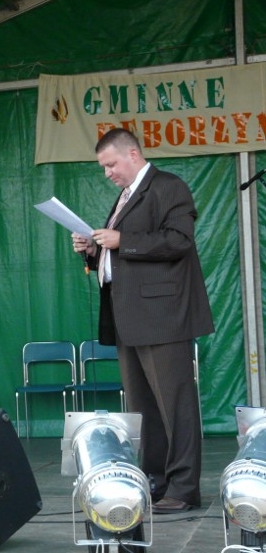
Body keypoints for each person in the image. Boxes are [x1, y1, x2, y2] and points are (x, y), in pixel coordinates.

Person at [71, 128, 214, 514]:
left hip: (163, 316)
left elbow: (180, 240)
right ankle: (154, 479)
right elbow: (124, 255)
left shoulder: (168, 187)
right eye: (104, 168)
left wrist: (122, 241)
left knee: (175, 406)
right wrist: (94, 251)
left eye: (111, 165)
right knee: (142, 408)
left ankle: (184, 488)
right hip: (130, 317)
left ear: (132, 154)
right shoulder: (126, 196)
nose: (107, 173)